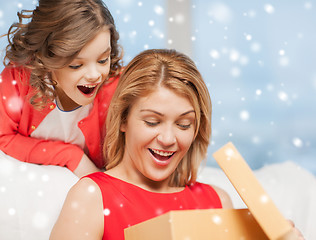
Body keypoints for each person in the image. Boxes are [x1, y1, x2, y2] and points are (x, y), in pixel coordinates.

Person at [50, 49, 233, 240]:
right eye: (152, 122)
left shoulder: (218, 202)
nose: (168, 139)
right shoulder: (91, 197)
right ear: (123, 119)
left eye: (183, 124)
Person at [0, 0, 123, 177]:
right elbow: (3, 137)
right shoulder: (18, 77)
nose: (94, 75)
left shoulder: (119, 89)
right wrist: (70, 156)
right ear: (45, 59)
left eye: (103, 60)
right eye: (76, 65)